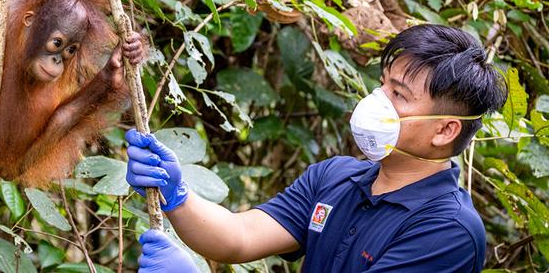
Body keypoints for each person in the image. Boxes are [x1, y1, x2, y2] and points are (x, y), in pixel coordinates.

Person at [128, 24, 508, 272]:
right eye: (383, 84)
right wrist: (176, 195)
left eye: (399, 94)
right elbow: (240, 235)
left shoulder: (449, 230)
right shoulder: (337, 177)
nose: (377, 99)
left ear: (444, 130)